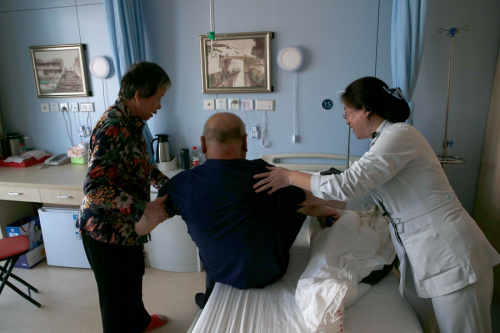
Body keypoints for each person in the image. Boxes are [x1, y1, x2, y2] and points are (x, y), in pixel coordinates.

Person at [253, 76, 500, 333]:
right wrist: (305, 198)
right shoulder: (383, 143)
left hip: (452, 255)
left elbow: (347, 183)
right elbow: (364, 198)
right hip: (424, 258)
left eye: (347, 112)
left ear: (366, 109)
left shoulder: (400, 136)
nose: (346, 120)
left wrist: (289, 175)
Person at [155, 112, 340, 309]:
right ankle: (326, 212)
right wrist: (325, 207)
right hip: (269, 272)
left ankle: (209, 294)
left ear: (202, 143)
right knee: (293, 202)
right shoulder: (265, 174)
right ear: (245, 142)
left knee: (212, 228)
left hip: (220, 272)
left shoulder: (183, 184)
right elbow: (309, 197)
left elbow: (148, 218)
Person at [76, 61, 172, 333]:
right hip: (103, 229)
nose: (159, 106)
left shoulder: (133, 121)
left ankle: (140, 322)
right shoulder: (113, 126)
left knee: (133, 278)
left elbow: (140, 162)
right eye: (158, 97)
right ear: (140, 94)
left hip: (125, 226)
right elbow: (94, 187)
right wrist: (144, 208)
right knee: (115, 298)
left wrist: (165, 184)